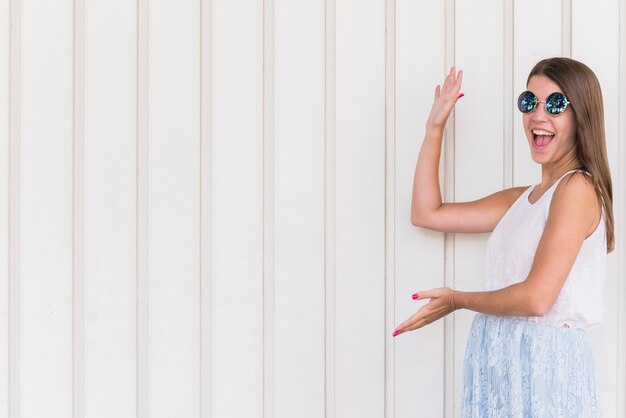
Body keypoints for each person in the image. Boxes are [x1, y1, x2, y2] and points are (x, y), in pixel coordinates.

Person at [392, 57, 614, 417]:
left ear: (581, 116)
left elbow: (537, 299)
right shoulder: (523, 199)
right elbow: (426, 213)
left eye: (555, 105)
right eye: (529, 102)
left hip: (544, 368)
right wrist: (434, 128)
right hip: (499, 358)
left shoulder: (577, 188)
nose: (538, 115)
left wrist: (457, 299)